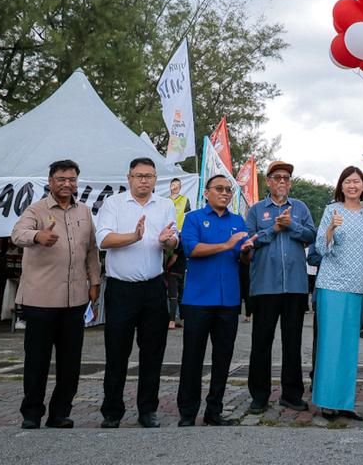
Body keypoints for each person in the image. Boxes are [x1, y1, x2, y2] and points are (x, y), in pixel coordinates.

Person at [10, 160, 100, 430]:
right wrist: (38, 236)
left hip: (75, 299)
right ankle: (32, 413)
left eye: (72, 179)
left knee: (70, 362)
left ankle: (60, 413)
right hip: (40, 299)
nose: (67, 184)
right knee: (37, 360)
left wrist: (94, 282)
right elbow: (17, 233)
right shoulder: (36, 209)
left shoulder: (84, 211)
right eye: (61, 179)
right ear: (50, 181)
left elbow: (92, 250)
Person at [95, 157, 180, 428]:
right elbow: (103, 239)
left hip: (154, 288)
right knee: (117, 352)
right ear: (128, 177)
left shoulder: (165, 205)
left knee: (153, 352)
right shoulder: (114, 203)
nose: (144, 180)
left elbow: (173, 241)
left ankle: (147, 410)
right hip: (121, 289)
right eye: (139, 175)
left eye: (150, 176)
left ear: (156, 179)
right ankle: (112, 411)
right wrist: (133, 236)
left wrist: (170, 242)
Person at [177, 174, 255, 426]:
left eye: (228, 190)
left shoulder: (238, 220)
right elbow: (192, 249)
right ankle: (187, 413)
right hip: (198, 300)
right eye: (219, 188)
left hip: (228, 300)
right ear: (207, 193)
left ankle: (214, 411)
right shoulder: (193, 219)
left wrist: (245, 251)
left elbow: (242, 259)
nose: (224, 193)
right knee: (192, 357)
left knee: (223, 358)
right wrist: (227, 244)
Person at [245, 160, 317, 414]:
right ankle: (260, 395)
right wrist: (274, 229)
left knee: (293, 341)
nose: (282, 182)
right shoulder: (256, 211)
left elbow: (312, 236)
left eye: (286, 177)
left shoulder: (300, 207)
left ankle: (291, 394)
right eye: (277, 177)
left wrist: (292, 226)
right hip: (265, 287)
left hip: (295, 287)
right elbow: (249, 242)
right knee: (261, 343)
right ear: (269, 181)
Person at [312, 166, 363, 421]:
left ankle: (345, 402)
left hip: (359, 285)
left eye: (357, 181)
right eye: (348, 181)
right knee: (329, 345)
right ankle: (327, 402)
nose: (352, 185)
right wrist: (331, 231)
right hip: (332, 285)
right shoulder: (331, 210)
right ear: (341, 185)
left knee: (349, 346)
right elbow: (319, 249)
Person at [167, 177, 190, 330]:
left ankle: (176, 318)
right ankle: (179, 317)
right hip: (168, 234)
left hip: (180, 234)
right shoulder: (164, 201)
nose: (174, 186)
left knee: (177, 287)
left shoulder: (185, 200)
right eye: (172, 184)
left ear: (180, 187)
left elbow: (187, 216)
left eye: (177, 184)